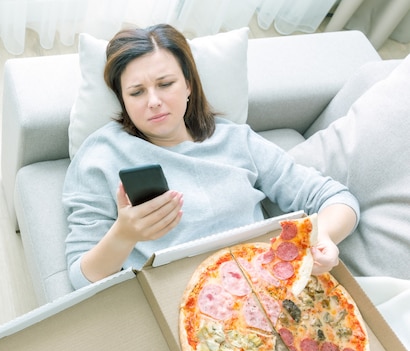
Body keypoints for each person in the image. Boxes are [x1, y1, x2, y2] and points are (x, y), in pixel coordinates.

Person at [62, 24, 359, 290]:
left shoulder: (237, 140)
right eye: (137, 92)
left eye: (165, 84)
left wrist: (324, 239)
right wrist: (124, 234)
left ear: (189, 84)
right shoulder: (100, 156)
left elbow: (336, 198)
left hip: (263, 288)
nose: (154, 102)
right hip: (176, 301)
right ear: (122, 100)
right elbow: (81, 278)